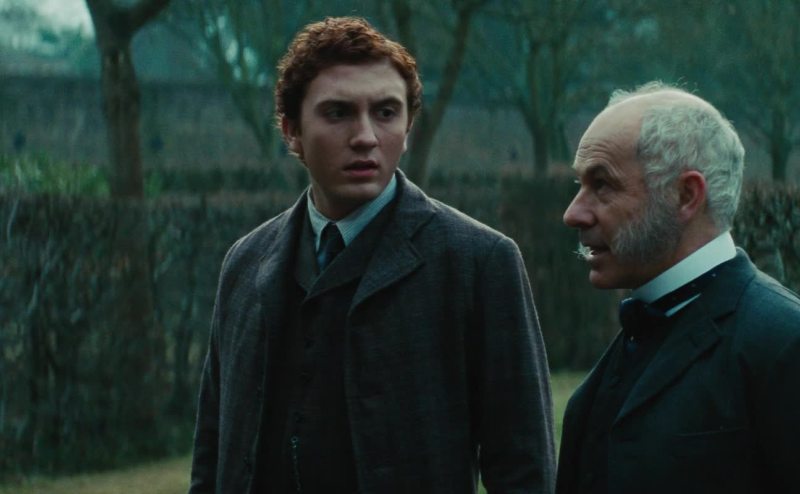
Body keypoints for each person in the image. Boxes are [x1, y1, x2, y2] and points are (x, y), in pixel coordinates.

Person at [189, 16, 555, 494]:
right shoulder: (245, 262)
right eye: (338, 113)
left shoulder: (479, 262)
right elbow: (213, 452)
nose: (365, 136)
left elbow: (525, 468)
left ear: (408, 128)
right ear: (292, 131)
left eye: (385, 112)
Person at [557, 81, 800, 494]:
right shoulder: (601, 382)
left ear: (686, 195)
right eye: (579, 185)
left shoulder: (782, 344)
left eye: (602, 185)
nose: (573, 213)